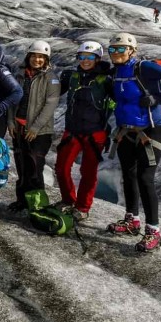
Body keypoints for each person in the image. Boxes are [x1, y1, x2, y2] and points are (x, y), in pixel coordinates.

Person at [106, 32, 161, 252]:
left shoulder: (143, 68)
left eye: (120, 49)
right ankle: (131, 220)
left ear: (131, 50)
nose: (116, 53)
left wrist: (159, 98)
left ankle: (153, 231)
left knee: (145, 178)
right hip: (126, 131)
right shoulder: (115, 73)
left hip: (152, 130)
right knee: (129, 174)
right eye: (112, 49)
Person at [55, 41, 114, 221]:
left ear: (98, 58)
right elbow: (53, 92)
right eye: (82, 57)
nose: (85, 60)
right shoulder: (71, 76)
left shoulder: (107, 79)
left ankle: (82, 207)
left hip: (95, 133)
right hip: (72, 130)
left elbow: (120, 100)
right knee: (61, 168)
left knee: (88, 173)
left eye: (90, 57)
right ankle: (68, 200)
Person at [8, 40, 61, 213]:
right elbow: (12, 100)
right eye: (34, 56)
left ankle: (38, 205)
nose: (37, 59)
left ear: (46, 59)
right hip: (19, 128)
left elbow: (50, 105)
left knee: (35, 169)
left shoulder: (51, 79)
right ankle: (22, 200)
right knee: (22, 165)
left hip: (40, 132)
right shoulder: (20, 75)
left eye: (41, 57)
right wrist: (10, 122)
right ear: (29, 56)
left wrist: (36, 128)